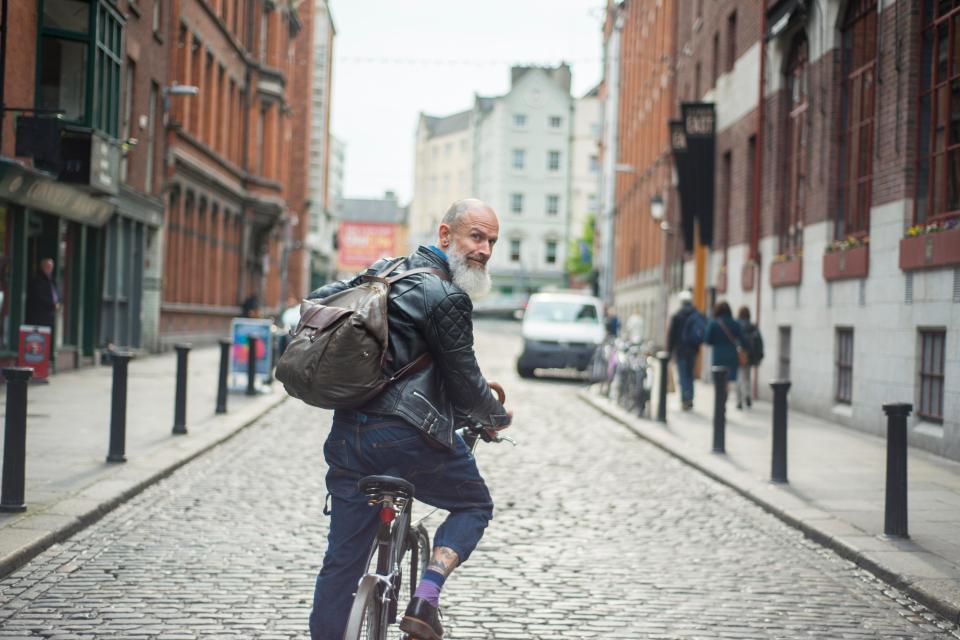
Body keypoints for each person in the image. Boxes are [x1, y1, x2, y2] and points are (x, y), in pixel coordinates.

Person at [307, 198, 512, 640]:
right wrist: (495, 417)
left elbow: (317, 302)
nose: (486, 250)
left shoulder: (384, 270)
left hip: (349, 440)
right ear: (445, 236)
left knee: (341, 563)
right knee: (475, 504)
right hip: (410, 439)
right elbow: (464, 381)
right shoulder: (446, 296)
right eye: (476, 237)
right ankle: (426, 598)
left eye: (492, 241)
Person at [666, 290, 703, 410]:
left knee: (683, 375)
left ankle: (684, 399)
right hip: (693, 349)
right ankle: (690, 397)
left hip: (681, 350)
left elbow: (672, 335)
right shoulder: (696, 314)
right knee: (690, 374)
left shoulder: (677, 316)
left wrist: (669, 351)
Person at [704, 301, 744, 403]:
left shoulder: (713, 324)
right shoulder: (735, 324)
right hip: (731, 356)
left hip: (718, 356)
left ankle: (720, 402)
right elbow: (743, 340)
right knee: (727, 381)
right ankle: (724, 400)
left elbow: (707, 340)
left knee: (719, 379)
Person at [736, 306, 764, 410]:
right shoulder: (752, 327)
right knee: (747, 377)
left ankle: (739, 400)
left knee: (739, 377)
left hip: (739, 354)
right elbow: (760, 342)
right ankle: (747, 395)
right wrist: (759, 355)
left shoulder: (737, 325)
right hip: (749, 355)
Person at [25, 258, 59, 330]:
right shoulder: (38, 280)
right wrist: (52, 304)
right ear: (42, 267)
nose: (49, 269)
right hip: (40, 315)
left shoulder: (52, 280)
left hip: (50, 314)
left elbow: (55, 294)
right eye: (47, 266)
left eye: (50, 267)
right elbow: (39, 296)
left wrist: (57, 303)